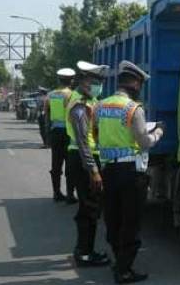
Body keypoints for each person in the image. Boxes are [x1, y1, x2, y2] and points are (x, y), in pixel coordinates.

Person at [94, 61, 163, 283]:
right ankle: (124, 270)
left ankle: (118, 260)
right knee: (130, 222)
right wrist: (159, 132)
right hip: (131, 172)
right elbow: (143, 142)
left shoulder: (101, 105)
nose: (140, 87)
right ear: (134, 83)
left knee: (113, 219)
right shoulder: (134, 108)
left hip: (108, 169)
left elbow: (94, 133)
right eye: (140, 83)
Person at [66, 61, 111, 267]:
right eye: (95, 82)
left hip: (81, 158)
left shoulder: (86, 101)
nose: (98, 86)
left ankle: (83, 250)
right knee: (90, 208)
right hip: (83, 160)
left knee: (88, 208)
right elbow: (83, 141)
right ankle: (85, 253)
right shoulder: (79, 106)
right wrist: (93, 170)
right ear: (84, 82)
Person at [44, 68, 76, 203]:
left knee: (56, 164)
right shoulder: (72, 95)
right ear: (71, 80)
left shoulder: (50, 95)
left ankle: (56, 193)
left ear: (59, 80)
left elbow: (46, 115)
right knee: (70, 165)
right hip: (69, 134)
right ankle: (70, 195)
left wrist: (47, 135)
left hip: (55, 132)